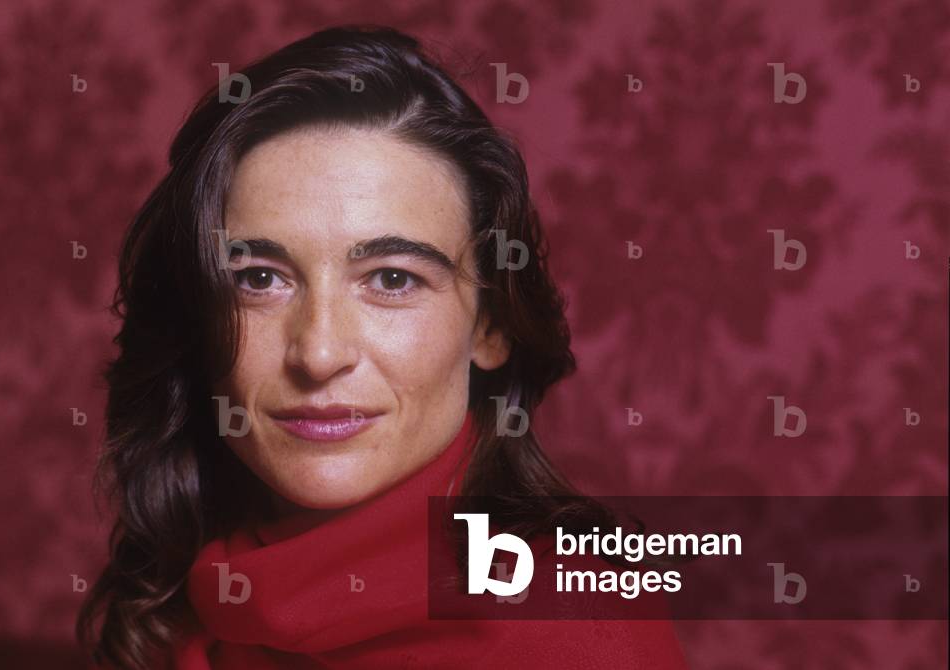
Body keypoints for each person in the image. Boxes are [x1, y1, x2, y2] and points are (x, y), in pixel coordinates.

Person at [77, 25, 689, 669]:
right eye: (259, 279)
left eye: (392, 280)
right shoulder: (178, 600)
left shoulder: (579, 631)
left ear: (491, 327)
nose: (317, 353)